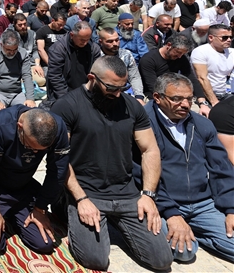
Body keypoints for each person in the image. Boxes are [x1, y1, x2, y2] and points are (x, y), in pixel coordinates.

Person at [51, 56, 172, 271]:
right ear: (92, 78)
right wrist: (81, 199)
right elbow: (59, 157)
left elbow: (150, 150)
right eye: (111, 88)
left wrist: (148, 195)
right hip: (87, 193)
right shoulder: (67, 106)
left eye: (122, 88)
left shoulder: (132, 106)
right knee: (96, 260)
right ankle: (66, 209)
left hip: (127, 194)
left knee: (162, 260)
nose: (117, 94)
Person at [143, 73, 234, 263]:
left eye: (189, 99)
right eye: (177, 99)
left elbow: (221, 168)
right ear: (158, 98)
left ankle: (197, 232)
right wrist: (171, 213)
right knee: (185, 253)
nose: (185, 104)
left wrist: (230, 209)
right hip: (164, 204)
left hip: (203, 204)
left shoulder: (202, 124)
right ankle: (192, 234)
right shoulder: (143, 124)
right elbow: (138, 172)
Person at [0, 106, 69, 255]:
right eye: (30, 146)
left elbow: (58, 172)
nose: (34, 152)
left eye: (39, 150)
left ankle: (13, 213)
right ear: (19, 127)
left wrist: (40, 208)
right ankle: (3, 211)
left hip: (23, 183)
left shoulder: (58, 127)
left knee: (45, 244)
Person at [44, 21, 100, 104]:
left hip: (86, 91)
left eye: (87, 39)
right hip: (63, 93)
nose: (85, 43)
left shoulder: (93, 48)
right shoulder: (58, 49)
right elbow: (55, 76)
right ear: (72, 35)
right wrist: (66, 99)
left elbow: (97, 72)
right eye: (82, 40)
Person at [0, 30, 36, 117]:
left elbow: (27, 76)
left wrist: (30, 98)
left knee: (30, 115)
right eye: (8, 50)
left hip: (17, 93)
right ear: (1, 45)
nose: (12, 53)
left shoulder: (22, 53)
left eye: (14, 50)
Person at [98, 27, 145, 104]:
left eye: (117, 40)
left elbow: (134, 77)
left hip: (124, 91)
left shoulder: (126, 55)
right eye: (110, 41)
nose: (115, 44)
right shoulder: (96, 56)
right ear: (101, 42)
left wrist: (139, 96)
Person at [191, 24, 234, 109]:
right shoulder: (200, 51)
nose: (229, 40)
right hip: (203, 96)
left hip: (225, 93)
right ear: (211, 38)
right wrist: (214, 102)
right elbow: (202, 78)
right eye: (224, 37)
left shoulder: (231, 52)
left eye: (231, 37)